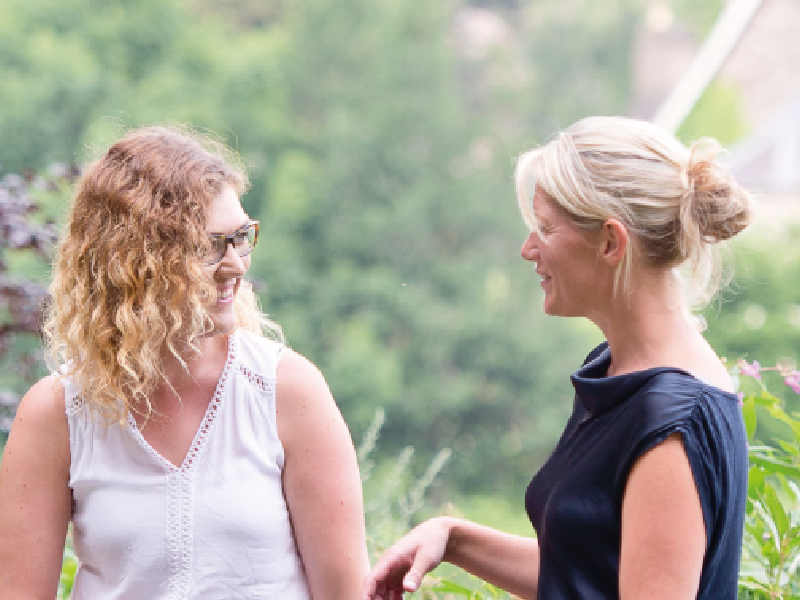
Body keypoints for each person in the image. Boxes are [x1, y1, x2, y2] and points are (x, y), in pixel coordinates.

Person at [362, 116, 753, 600]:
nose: (528, 249)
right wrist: (453, 538)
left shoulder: (672, 419)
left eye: (545, 228)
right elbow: (588, 571)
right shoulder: (619, 372)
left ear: (611, 242)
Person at [0, 125, 369, 599]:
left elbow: (346, 594)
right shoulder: (56, 413)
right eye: (209, 246)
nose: (235, 264)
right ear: (133, 261)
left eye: (241, 237)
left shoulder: (287, 390)